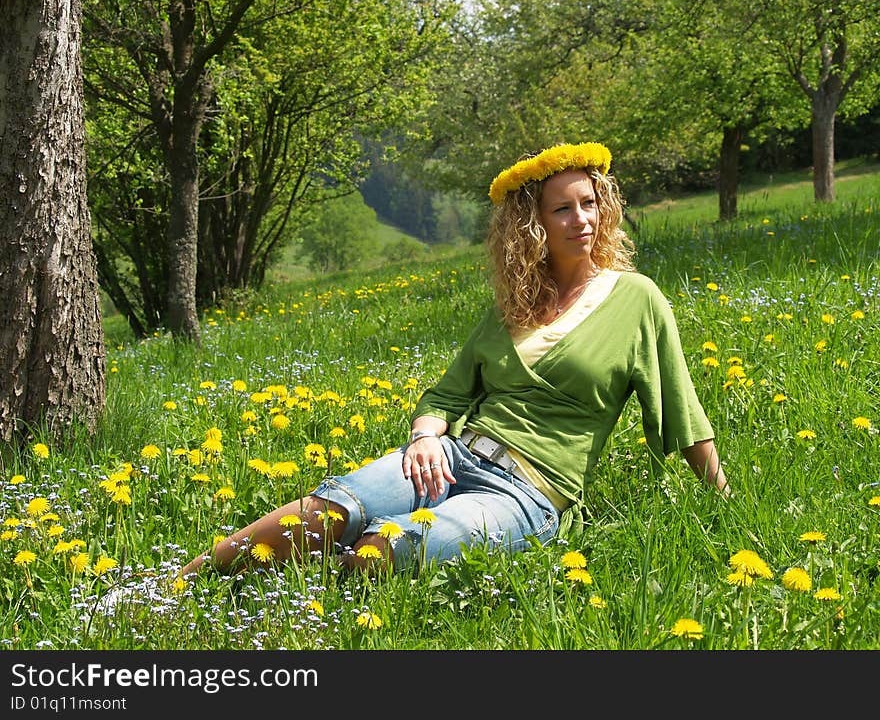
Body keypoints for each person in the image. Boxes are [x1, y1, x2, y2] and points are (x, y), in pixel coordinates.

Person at [177, 140, 729, 579]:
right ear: (533, 225)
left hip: (527, 493)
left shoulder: (637, 299)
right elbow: (445, 397)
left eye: (590, 204)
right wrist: (422, 439)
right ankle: (188, 580)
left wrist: (724, 504)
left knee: (387, 543)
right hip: (452, 456)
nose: (581, 219)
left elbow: (683, 412)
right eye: (563, 209)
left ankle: (302, 600)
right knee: (332, 507)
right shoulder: (510, 307)